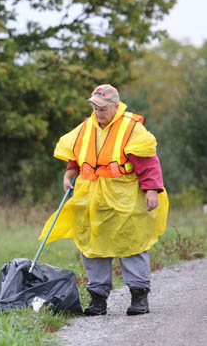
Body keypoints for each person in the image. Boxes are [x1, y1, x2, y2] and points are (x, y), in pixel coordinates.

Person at [39, 84, 169, 316]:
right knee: (93, 245)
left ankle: (139, 297)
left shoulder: (131, 129)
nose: (98, 112)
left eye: (102, 108)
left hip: (125, 198)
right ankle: (98, 300)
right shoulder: (85, 128)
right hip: (91, 199)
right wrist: (70, 172)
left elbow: (148, 163)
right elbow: (77, 158)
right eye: (95, 108)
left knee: (132, 243)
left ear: (115, 106)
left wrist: (152, 190)